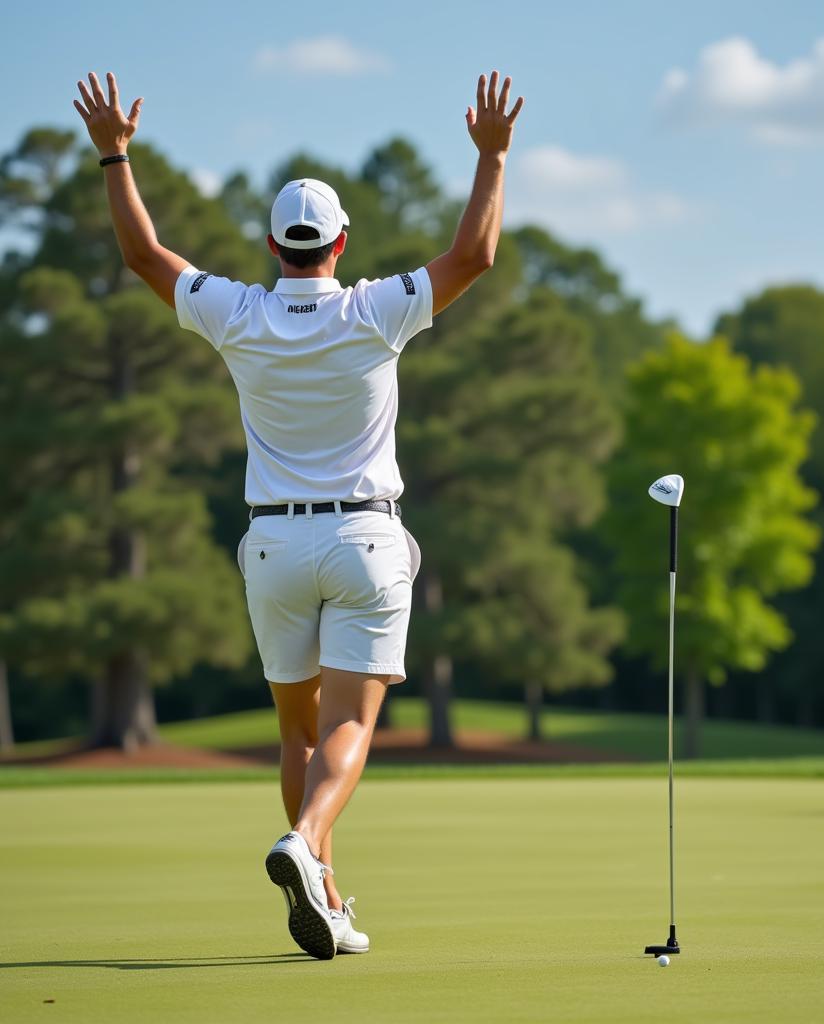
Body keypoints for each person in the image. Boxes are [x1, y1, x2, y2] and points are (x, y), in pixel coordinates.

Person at [73, 68, 524, 960]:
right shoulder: (375, 309)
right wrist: (493, 157)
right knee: (352, 727)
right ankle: (307, 844)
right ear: (341, 242)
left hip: (273, 545)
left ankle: (324, 891)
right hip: (363, 539)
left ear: (274, 244)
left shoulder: (237, 312)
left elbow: (142, 256)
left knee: (300, 729)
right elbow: (474, 257)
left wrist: (114, 155)